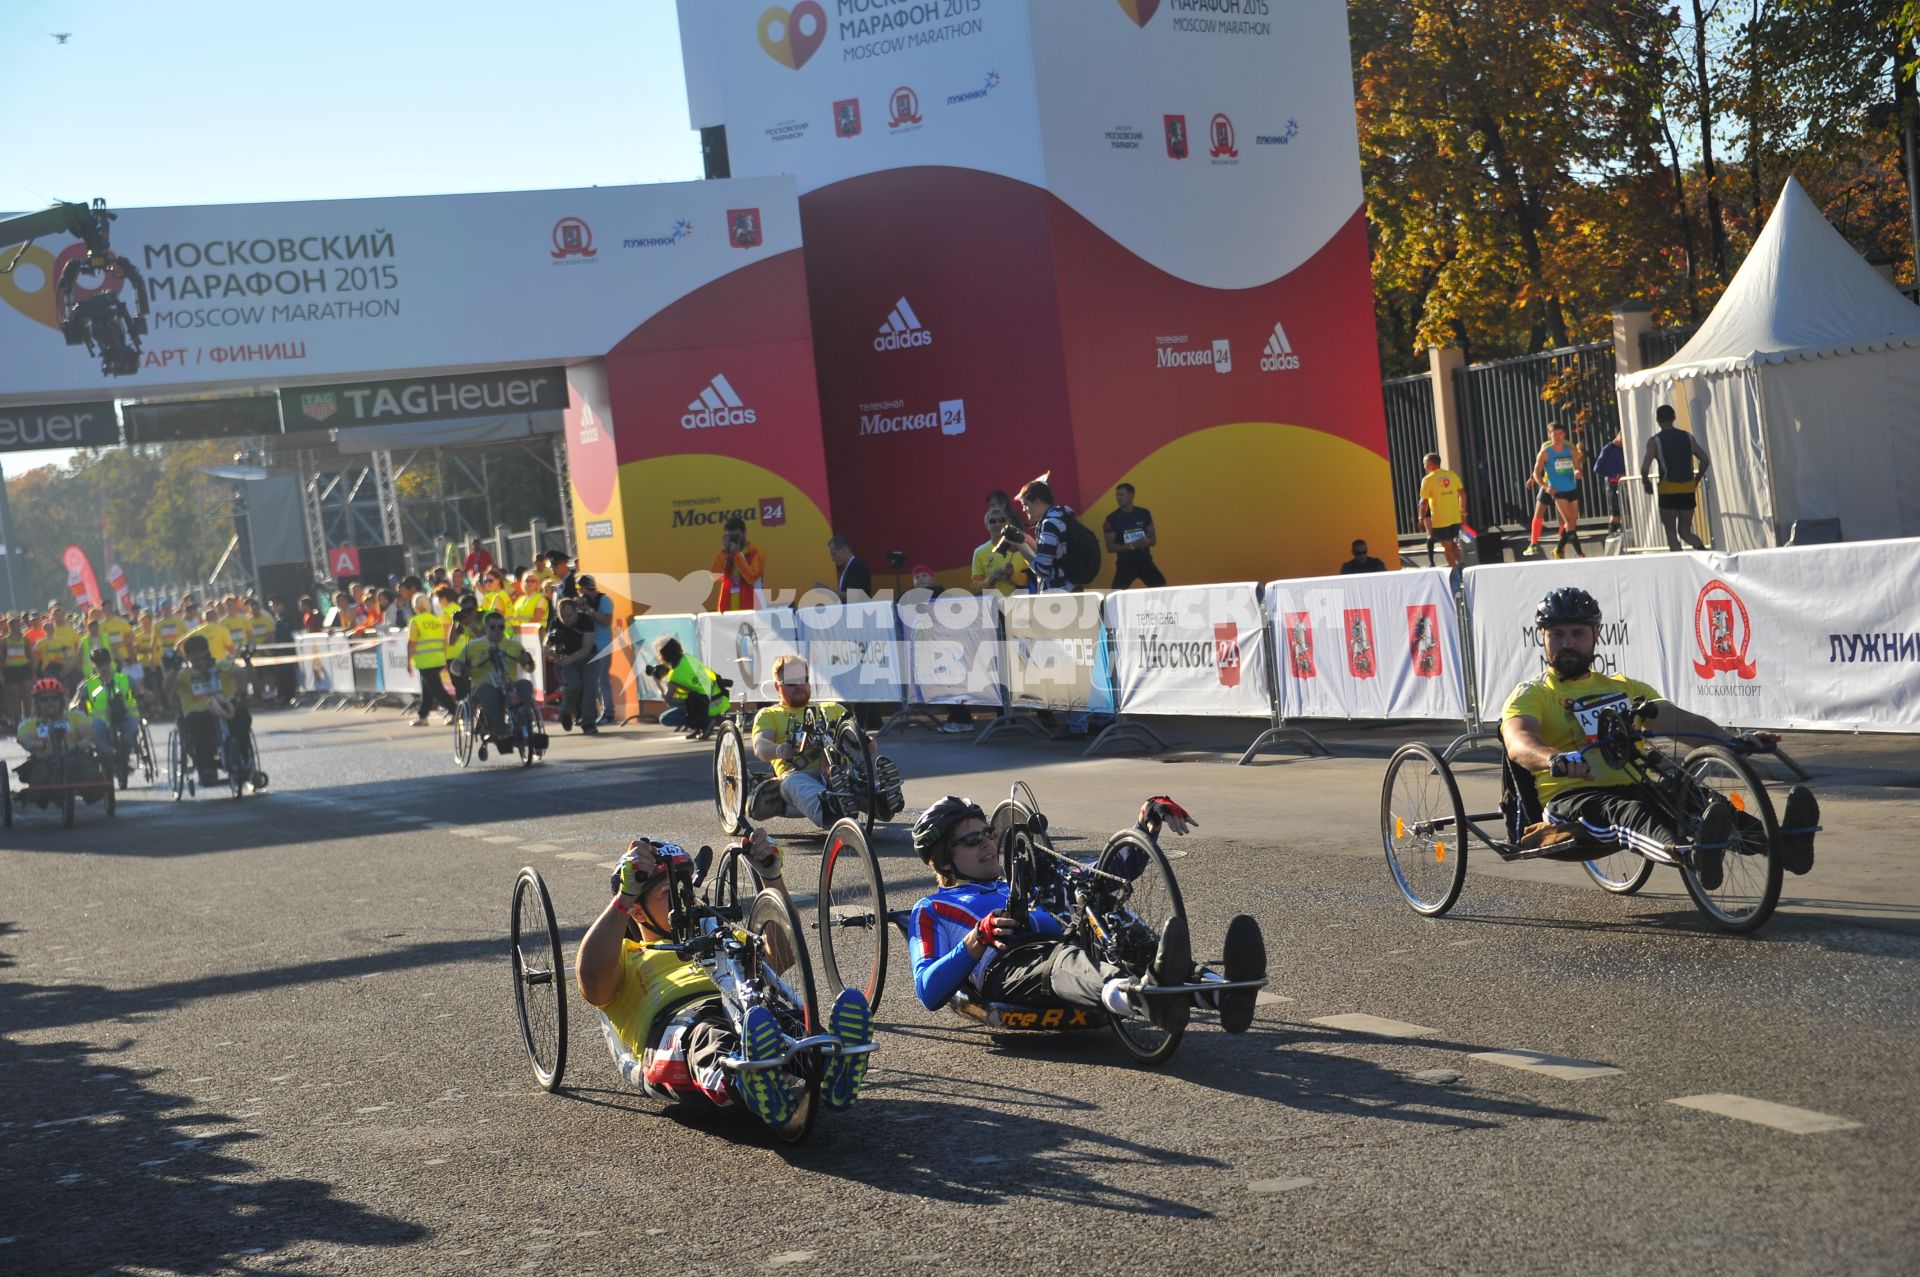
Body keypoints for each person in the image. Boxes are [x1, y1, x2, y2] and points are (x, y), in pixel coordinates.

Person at [1500, 587, 1817, 887]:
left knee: (1701, 801)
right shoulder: (1533, 693)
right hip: (1574, 798)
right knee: (1629, 813)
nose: (1567, 642)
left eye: (1577, 633)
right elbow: (1519, 740)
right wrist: (1554, 758)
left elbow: (1679, 721)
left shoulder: (1624, 687)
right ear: (1542, 638)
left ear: (1595, 636)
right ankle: (1691, 854)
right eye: (1557, 634)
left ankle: (1784, 846)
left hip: (1642, 782)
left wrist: (1733, 742)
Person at [574, 832, 872, 1126]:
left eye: (686, 889)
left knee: (786, 1019)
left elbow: (780, 954)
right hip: (677, 1027)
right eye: (668, 894)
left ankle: (833, 1065)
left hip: (747, 1011)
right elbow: (592, 982)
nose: (685, 901)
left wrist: (771, 877)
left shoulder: (716, 933)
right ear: (637, 912)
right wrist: (624, 897)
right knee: (706, 1035)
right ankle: (748, 1081)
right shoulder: (625, 954)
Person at [906, 796, 1265, 1033]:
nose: (988, 843)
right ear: (942, 859)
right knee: (1067, 958)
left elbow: (1098, 878)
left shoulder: (1021, 880)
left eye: (987, 834)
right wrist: (977, 938)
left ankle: (1222, 993)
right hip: (1011, 964)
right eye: (972, 841)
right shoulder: (932, 909)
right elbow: (927, 990)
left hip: (1065, 939)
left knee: (1117, 926)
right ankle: (1139, 997)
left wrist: (1144, 829)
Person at [750, 655, 902, 828]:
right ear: (778, 686)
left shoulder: (832, 708)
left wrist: (867, 744)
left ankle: (883, 800)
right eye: (792, 683)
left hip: (838, 772)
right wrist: (779, 750)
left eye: (803, 680)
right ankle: (832, 806)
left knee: (851, 777)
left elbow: (862, 742)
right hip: (798, 775)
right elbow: (759, 746)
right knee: (793, 783)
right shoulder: (769, 714)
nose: (799, 686)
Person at [448, 609, 540, 761]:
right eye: (493, 627)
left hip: (509, 687)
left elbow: (529, 668)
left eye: (501, 627)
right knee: (486, 691)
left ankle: (524, 723)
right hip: (483, 687)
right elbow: (454, 666)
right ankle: (500, 730)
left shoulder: (514, 646)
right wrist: (463, 670)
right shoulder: (473, 646)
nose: (498, 631)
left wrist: (528, 661)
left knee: (525, 684)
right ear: (486, 629)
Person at [172, 634, 259, 790]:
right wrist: (172, 669)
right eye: (195, 660)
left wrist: (247, 661)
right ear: (189, 658)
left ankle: (244, 758)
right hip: (198, 713)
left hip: (225, 708)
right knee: (198, 723)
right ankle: (205, 766)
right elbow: (168, 689)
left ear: (207, 653)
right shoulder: (185, 675)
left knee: (242, 715)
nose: (199, 663)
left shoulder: (222, 667)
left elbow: (250, 677)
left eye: (202, 658)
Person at [13, 677, 109, 788]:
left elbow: (87, 731)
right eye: (44, 700)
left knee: (89, 772)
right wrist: (37, 744)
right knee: (38, 775)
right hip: (44, 759)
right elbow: (24, 738)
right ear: (37, 703)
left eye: (54, 698)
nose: (50, 703)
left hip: (74, 757)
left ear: (61, 700)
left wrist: (84, 741)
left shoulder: (75, 716)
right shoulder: (29, 723)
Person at [1641, 404, 1712, 552]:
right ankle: (1704, 554)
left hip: (1668, 489)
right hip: (1687, 488)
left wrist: (1646, 482)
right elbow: (1705, 460)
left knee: (1671, 534)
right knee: (1685, 532)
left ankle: (1679, 565)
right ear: (1674, 418)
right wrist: (1696, 480)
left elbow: (1645, 467)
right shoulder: (1687, 437)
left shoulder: (1655, 441)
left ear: (1657, 420)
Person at [648, 636, 729, 740]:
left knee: (665, 717)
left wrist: (657, 682)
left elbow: (667, 699)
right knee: (687, 698)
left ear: (663, 655)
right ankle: (701, 726)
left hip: (707, 704)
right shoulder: (688, 658)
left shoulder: (675, 675)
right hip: (720, 698)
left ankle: (703, 723)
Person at [77, 648, 140, 775]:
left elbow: (140, 691)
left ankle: (126, 752)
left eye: (105, 663)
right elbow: (75, 701)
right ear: (94, 665)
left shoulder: (124, 678)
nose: (103, 667)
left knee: (131, 729)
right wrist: (75, 705)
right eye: (99, 664)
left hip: (126, 716)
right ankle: (107, 756)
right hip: (101, 721)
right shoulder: (88, 684)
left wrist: (145, 695)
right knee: (97, 730)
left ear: (110, 662)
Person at [1011, 479, 1078, 593]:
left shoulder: (1049, 524)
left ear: (1038, 502)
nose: (1023, 509)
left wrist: (1022, 548)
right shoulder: (1061, 518)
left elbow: (1042, 570)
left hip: (1058, 594)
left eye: (1026, 504)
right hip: (1070, 588)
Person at [544, 597, 598, 735]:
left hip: (588, 658)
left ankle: (588, 722)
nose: (566, 619)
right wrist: (553, 654)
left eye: (569, 615)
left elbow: (587, 648)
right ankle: (567, 711)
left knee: (589, 686)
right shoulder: (556, 624)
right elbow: (546, 645)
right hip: (567, 659)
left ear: (576, 612)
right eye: (563, 616)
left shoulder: (586, 621)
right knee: (573, 685)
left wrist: (568, 659)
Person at [1531, 424, 1586, 559]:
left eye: (1560, 433)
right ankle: (1580, 553)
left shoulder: (1570, 450)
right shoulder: (1545, 453)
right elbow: (1536, 474)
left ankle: (1558, 549)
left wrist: (1578, 472)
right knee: (1569, 523)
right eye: (1554, 434)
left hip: (1572, 489)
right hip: (1558, 492)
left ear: (1564, 434)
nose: (1558, 437)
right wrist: (1546, 487)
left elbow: (1577, 468)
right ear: (1550, 435)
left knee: (1573, 523)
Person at [406, 590, 458, 728]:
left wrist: (408, 662)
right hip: (439, 659)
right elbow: (442, 640)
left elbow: (412, 643)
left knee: (436, 690)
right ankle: (422, 716)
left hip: (426, 661)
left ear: (415, 606)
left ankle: (455, 711)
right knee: (427, 689)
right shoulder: (436, 620)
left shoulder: (415, 621)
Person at [1102, 483, 1165, 589]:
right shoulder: (1112, 518)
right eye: (1116, 495)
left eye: (1121, 495)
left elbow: (1153, 540)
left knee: (1163, 590)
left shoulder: (1144, 513)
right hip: (1125, 565)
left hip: (1145, 562)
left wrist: (1146, 542)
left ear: (1131, 495)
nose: (1118, 498)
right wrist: (1133, 546)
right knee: (1114, 597)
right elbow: (1110, 547)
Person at [576, 574, 617, 726]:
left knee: (602, 680)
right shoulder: (583, 601)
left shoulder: (604, 600)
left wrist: (589, 610)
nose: (580, 593)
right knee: (591, 681)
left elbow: (606, 621)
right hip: (589, 646)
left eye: (581, 590)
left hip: (603, 645)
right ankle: (597, 712)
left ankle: (609, 713)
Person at [1417, 453, 1466, 569]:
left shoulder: (1428, 480)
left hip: (1441, 520)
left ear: (1430, 464)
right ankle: (1463, 566)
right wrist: (1462, 512)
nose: (1423, 466)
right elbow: (1463, 494)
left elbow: (1423, 502)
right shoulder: (1451, 475)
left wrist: (1420, 518)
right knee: (1452, 543)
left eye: (1424, 463)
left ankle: (1455, 572)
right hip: (1455, 518)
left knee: (1447, 547)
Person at [710, 518, 765, 613]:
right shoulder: (725, 555)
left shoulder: (755, 553)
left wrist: (737, 555)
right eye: (730, 537)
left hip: (752, 611)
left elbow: (751, 577)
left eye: (736, 536)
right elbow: (714, 576)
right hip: (728, 611)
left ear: (744, 533)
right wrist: (724, 552)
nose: (733, 540)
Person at [970, 507, 1028, 596]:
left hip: (1018, 605)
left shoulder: (1018, 547)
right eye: (992, 521)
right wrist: (990, 579)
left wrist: (1012, 575)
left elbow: (1031, 579)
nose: (998, 524)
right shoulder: (979, 552)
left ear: (1007, 523)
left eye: (1001, 520)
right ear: (986, 525)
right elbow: (974, 588)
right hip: (993, 606)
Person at [1592, 429, 1627, 537]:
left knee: (1628, 512)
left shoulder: (1625, 448)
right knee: (1616, 513)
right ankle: (1612, 538)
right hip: (1614, 484)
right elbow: (1597, 468)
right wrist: (1617, 474)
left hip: (1626, 483)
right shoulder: (1609, 448)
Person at [1, 614, 35, 729]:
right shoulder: (4, 642)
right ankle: (17, 721)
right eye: (14, 626)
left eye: (18, 625)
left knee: (26, 695)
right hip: (10, 670)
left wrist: (33, 673)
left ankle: (28, 718)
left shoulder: (25, 640)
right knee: (14, 696)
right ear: (10, 627)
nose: (17, 628)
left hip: (24, 668)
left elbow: (30, 656)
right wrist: (1, 675)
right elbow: (1, 660)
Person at [818, 535, 873, 602]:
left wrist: (829, 590)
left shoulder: (857, 567)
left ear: (844, 550)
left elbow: (851, 596)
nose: (832, 559)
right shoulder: (849, 568)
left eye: (834, 554)